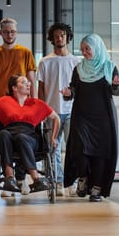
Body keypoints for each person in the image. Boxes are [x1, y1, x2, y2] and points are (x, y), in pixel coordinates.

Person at [61, 33, 119, 202]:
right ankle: (82, 178)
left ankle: (97, 188)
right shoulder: (79, 68)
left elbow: (118, 90)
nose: (84, 52)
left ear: (96, 48)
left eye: (87, 49)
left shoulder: (109, 67)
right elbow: (73, 89)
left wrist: (116, 86)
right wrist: (68, 94)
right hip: (81, 116)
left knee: (100, 153)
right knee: (80, 149)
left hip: (103, 118)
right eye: (82, 49)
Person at [0, 74, 60, 193]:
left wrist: (53, 138)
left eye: (28, 82)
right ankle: (10, 178)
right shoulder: (4, 101)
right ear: (14, 88)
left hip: (30, 138)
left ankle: (36, 178)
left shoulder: (37, 103)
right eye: (24, 82)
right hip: (9, 135)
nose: (28, 84)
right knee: (3, 134)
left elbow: (56, 118)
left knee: (21, 137)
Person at [0, 17, 37, 196]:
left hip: (22, 106)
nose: (10, 34)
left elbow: (31, 79)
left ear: (17, 33)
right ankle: (7, 180)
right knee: (5, 140)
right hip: (1, 107)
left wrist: (35, 101)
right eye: (6, 31)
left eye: (13, 32)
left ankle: (21, 179)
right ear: (0, 33)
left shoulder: (25, 52)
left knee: (23, 139)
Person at [37, 23, 80, 197]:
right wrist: (41, 111)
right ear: (52, 39)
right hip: (51, 112)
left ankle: (73, 182)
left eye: (62, 35)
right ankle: (58, 182)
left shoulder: (76, 62)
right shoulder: (45, 62)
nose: (59, 38)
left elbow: (79, 88)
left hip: (71, 112)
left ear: (67, 37)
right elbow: (41, 89)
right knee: (52, 149)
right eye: (56, 36)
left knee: (73, 148)